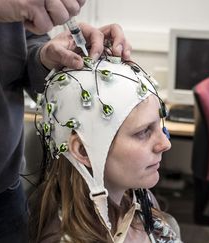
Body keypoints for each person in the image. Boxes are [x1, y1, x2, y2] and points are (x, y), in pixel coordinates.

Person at [0, 1, 131, 242]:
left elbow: (20, 48)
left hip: (1, 188)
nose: (165, 144)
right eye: (142, 132)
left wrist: (44, 56)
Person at [28, 55, 181, 243]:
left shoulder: (141, 200)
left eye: (159, 124)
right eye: (143, 132)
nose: (166, 143)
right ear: (84, 151)